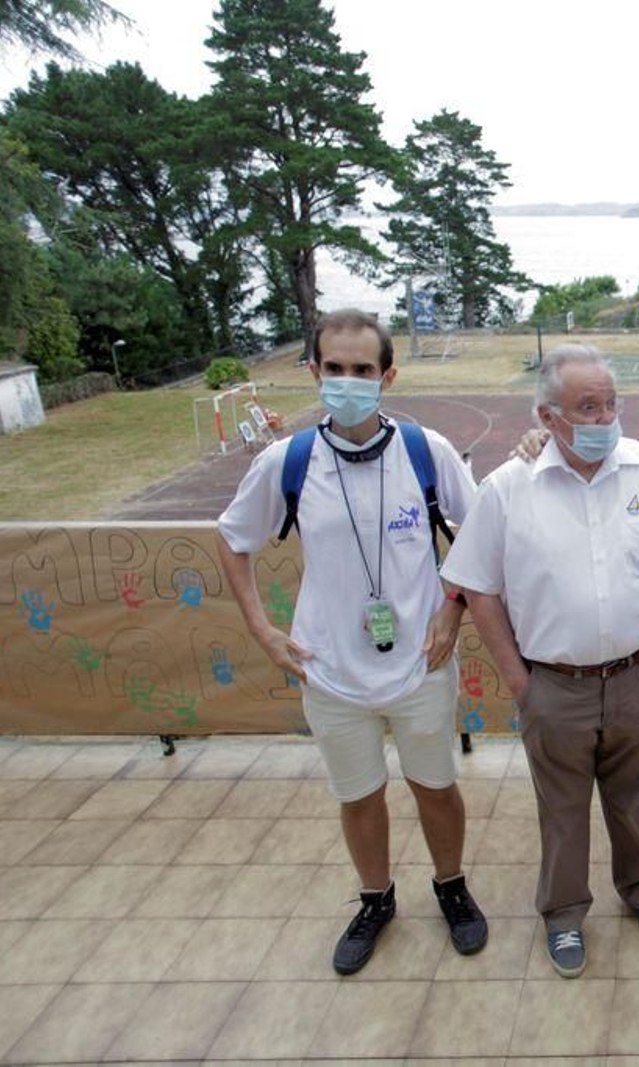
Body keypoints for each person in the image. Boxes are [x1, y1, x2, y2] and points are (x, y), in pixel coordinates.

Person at [216, 308, 487, 976]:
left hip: (421, 663)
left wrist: (452, 610)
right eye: (334, 368)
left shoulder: (426, 451)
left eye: (362, 369)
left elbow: (483, 535)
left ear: (387, 376)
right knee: (359, 795)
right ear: (314, 371)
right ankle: (375, 900)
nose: (348, 381)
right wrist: (262, 629)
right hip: (329, 668)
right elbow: (232, 539)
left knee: (435, 786)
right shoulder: (288, 461)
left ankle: (451, 886)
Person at [442, 344, 639, 978]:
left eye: (611, 404)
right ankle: (562, 912)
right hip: (553, 685)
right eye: (587, 407)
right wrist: (518, 679)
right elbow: (479, 588)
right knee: (562, 807)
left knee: (631, 796)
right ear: (547, 416)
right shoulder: (507, 488)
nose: (604, 417)